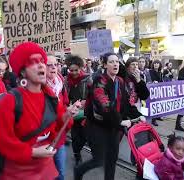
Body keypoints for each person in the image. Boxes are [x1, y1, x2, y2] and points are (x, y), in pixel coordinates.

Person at [0, 42, 79, 180]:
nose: (41, 65)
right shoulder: (10, 100)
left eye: (41, 61)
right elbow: (1, 139)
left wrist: (67, 115)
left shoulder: (50, 95)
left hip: (46, 169)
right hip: (19, 172)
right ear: (22, 71)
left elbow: (57, 127)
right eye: (34, 62)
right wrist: (32, 152)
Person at [74, 52, 131, 180]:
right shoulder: (99, 80)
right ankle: (79, 171)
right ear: (105, 65)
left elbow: (126, 103)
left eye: (117, 61)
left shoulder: (120, 81)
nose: (115, 64)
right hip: (97, 127)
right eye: (111, 62)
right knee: (99, 159)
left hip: (113, 127)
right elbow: (103, 104)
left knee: (112, 159)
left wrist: (136, 115)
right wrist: (119, 121)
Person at [46, 54, 73, 180]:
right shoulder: (36, 86)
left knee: (60, 173)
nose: (53, 68)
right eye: (49, 65)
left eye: (55, 64)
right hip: (43, 138)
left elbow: (65, 104)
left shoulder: (60, 83)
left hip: (59, 135)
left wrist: (70, 110)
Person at [64, 55, 91, 166]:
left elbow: (95, 93)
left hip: (84, 112)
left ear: (80, 68)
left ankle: (79, 149)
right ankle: (77, 154)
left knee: (85, 136)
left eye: (76, 70)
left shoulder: (87, 79)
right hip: (72, 112)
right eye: (71, 70)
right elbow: (64, 95)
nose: (74, 72)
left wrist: (87, 101)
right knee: (75, 136)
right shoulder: (66, 80)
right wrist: (68, 105)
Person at [149, 60, 163, 126]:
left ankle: (157, 116)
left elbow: (161, 81)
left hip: (158, 90)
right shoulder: (150, 71)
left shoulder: (160, 72)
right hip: (152, 91)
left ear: (160, 65)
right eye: (155, 63)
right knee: (154, 105)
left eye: (157, 63)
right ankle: (153, 120)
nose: (156, 64)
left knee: (158, 104)